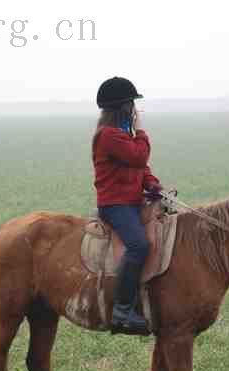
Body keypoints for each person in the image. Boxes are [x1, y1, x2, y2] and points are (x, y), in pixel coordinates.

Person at [92, 77, 164, 335]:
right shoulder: (109, 136)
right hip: (116, 205)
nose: (135, 109)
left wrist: (153, 185)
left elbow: (140, 167)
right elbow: (139, 155)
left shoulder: (122, 135)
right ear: (123, 107)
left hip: (132, 202)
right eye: (133, 103)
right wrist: (141, 130)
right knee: (139, 245)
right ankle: (122, 311)